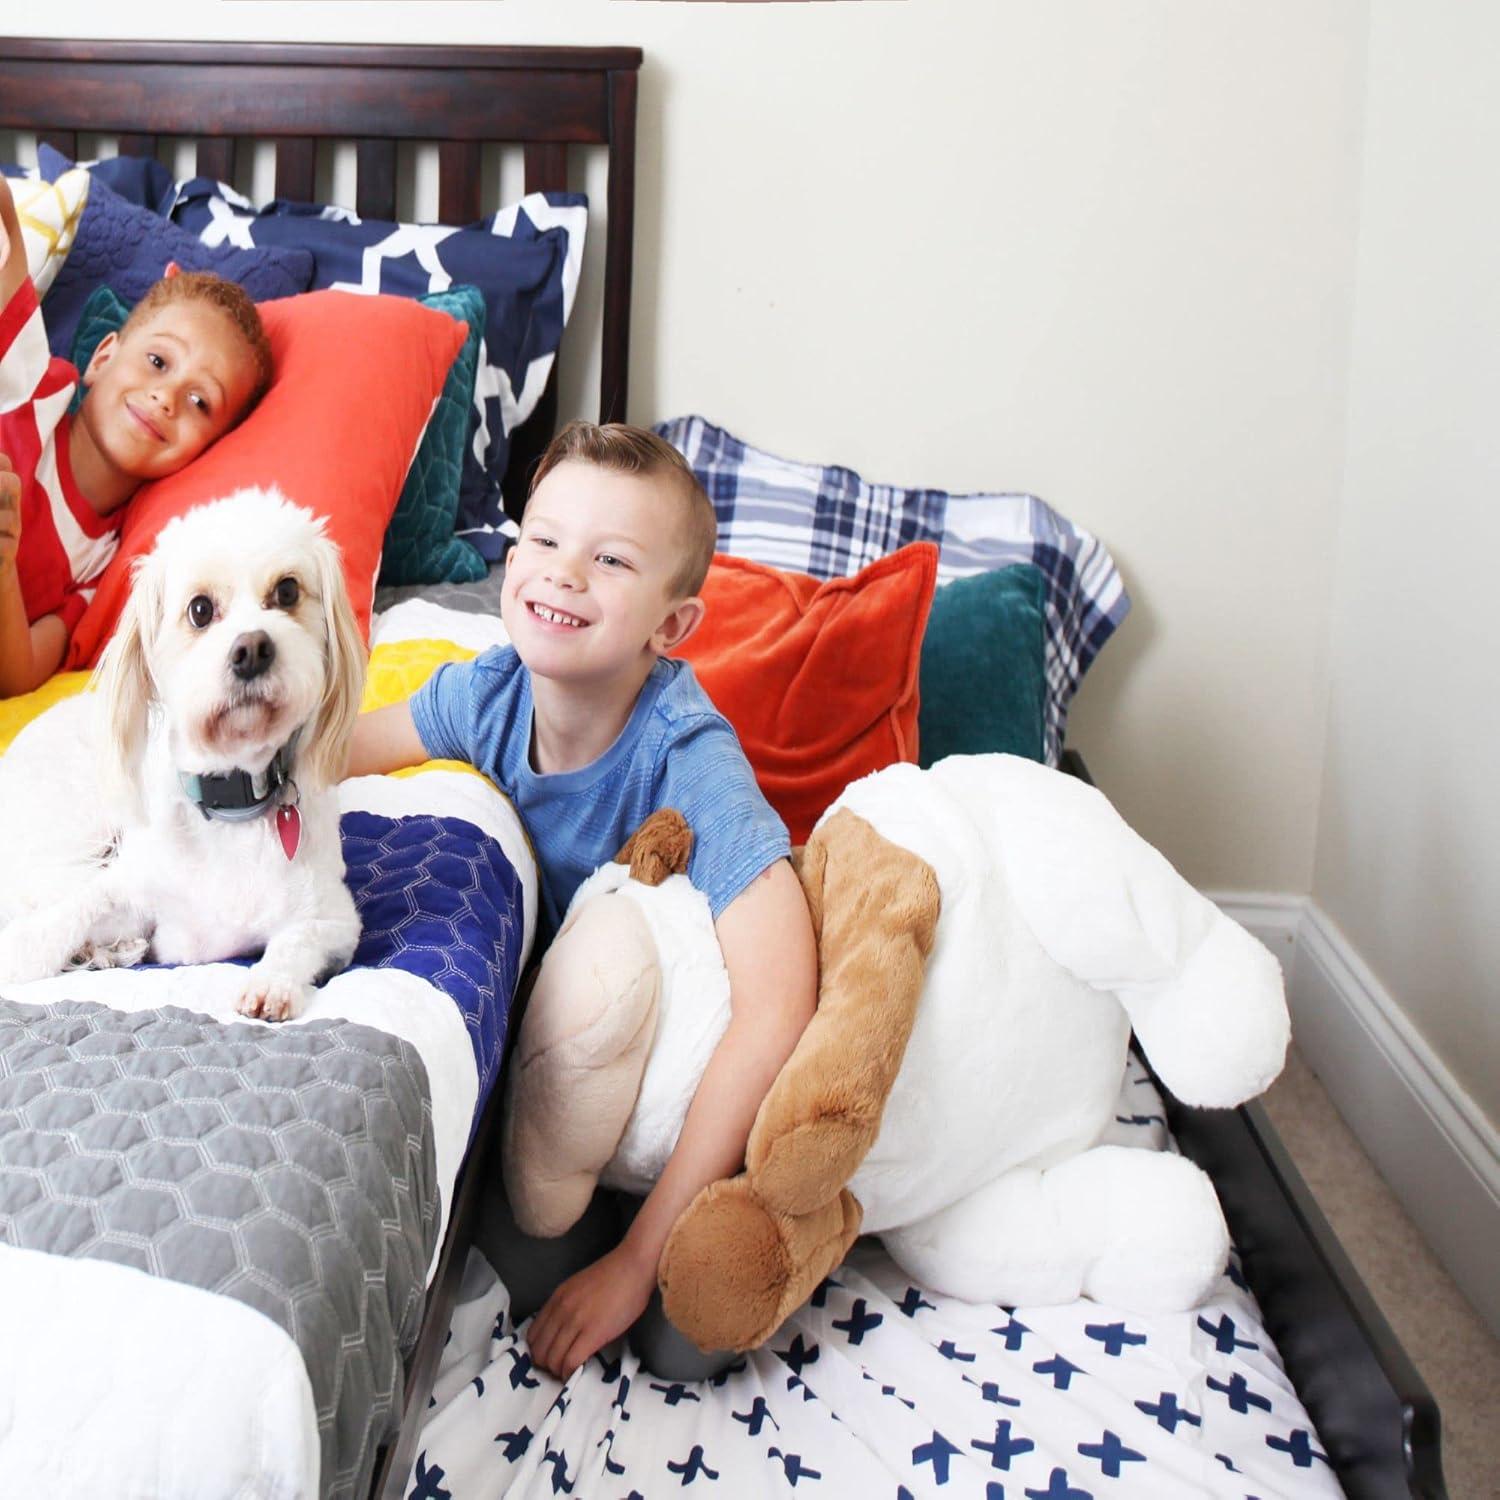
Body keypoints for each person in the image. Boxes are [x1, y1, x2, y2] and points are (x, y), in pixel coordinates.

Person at [348, 420, 819, 1380]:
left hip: (690, 1088)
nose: (562, 574)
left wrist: (639, 1261)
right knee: (517, 1248)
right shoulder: (492, 694)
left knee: (688, 1345)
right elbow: (341, 750)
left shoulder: (687, 761)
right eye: (543, 538)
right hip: (579, 1083)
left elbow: (781, 1002)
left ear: (672, 624)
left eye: (609, 559)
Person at [0, 172, 271, 697]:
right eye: (157, 361)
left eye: (200, 402)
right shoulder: (28, 388)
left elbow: (19, 674)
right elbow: (8, 242)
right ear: (102, 357)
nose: (166, 397)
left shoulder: (110, 565)